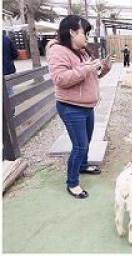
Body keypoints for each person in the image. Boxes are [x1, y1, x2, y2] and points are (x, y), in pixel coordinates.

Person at [48, 15, 112, 199]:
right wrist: (87, 68)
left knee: (86, 141)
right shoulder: (58, 51)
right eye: (85, 33)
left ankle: (83, 167)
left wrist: (104, 67)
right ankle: (72, 183)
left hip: (87, 106)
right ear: (72, 32)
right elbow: (60, 79)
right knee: (79, 146)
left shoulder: (83, 51)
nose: (87, 37)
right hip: (71, 107)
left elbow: (92, 76)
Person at [3, 31, 19, 112]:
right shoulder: (6, 39)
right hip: (7, 70)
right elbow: (15, 54)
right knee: (9, 91)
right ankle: (12, 112)